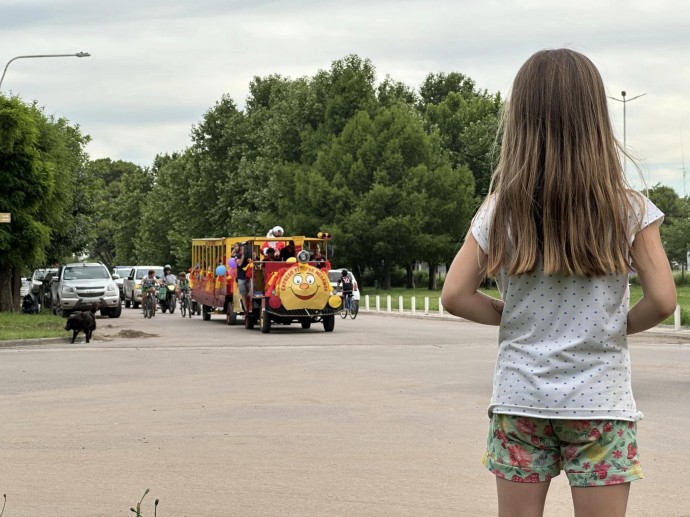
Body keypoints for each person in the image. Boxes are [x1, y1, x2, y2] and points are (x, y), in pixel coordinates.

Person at [440, 49, 676, 517]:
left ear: (520, 120)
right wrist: (611, 328)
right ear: (595, 118)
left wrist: (511, 318)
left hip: (520, 399)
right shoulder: (628, 209)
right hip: (601, 404)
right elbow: (664, 300)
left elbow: (454, 295)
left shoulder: (499, 210)